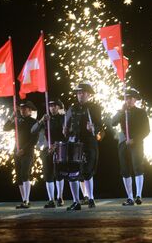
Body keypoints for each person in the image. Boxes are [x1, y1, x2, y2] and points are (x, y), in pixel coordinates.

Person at [63, 82, 103, 210]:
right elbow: (67, 125)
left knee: (87, 172)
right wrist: (65, 131)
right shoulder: (72, 108)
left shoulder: (95, 108)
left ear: (89, 94)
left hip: (89, 142)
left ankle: (91, 198)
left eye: (82, 93)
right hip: (74, 142)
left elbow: (100, 126)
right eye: (78, 93)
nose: (80, 95)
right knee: (72, 173)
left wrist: (93, 128)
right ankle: (76, 201)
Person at [111, 88, 151, 206]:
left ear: (135, 99)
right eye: (126, 98)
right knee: (124, 169)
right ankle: (130, 196)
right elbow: (113, 122)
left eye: (130, 98)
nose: (127, 100)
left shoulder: (141, 112)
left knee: (138, 167)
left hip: (136, 142)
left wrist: (135, 139)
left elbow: (146, 130)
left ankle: (138, 195)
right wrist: (121, 112)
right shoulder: (121, 112)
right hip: (123, 142)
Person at [31, 99, 66, 208]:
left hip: (59, 147)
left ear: (58, 107)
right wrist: (41, 120)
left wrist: (56, 145)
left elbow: (66, 134)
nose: (52, 108)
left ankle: (60, 197)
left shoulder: (63, 118)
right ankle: (51, 199)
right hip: (47, 148)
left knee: (59, 174)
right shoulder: (46, 119)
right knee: (48, 174)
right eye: (50, 106)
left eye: (55, 106)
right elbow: (33, 130)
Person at [4, 100, 39, 209]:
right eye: (21, 108)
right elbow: (5, 128)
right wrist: (12, 116)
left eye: (25, 109)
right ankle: (24, 200)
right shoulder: (17, 120)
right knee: (19, 176)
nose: (22, 110)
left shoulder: (34, 122)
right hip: (17, 151)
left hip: (27, 151)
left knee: (25, 174)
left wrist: (23, 150)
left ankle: (27, 200)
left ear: (30, 110)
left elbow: (34, 139)